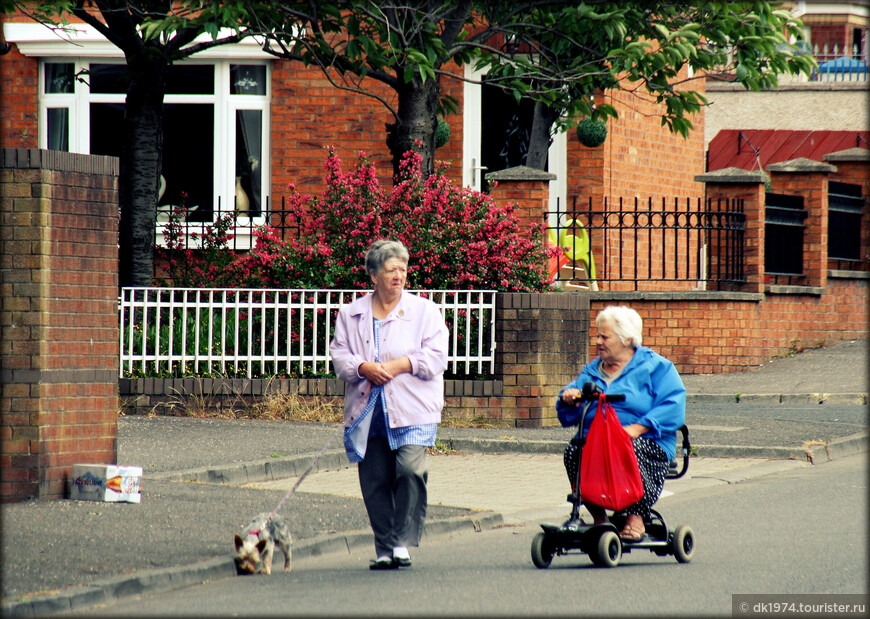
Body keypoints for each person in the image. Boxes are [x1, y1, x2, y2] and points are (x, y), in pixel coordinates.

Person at [329, 239, 449, 570]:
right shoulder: (350, 314)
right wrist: (363, 368)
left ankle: (401, 541)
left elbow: (437, 356)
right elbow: (340, 356)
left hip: (413, 407)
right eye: (390, 269)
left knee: (410, 470)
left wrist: (399, 365)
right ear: (373, 276)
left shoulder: (424, 311)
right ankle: (385, 548)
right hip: (368, 410)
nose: (399, 276)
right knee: (375, 479)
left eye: (403, 269)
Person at [556, 305, 685, 542]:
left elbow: (674, 405)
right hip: (600, 442)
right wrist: (569, 398)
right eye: (597, 335)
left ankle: (636, 516)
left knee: (631, 448)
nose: (598, 341)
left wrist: (637, 429)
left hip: (646, 440)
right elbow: (572, 407)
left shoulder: (656, 367)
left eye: (604, 336)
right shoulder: (592, 370)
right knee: (574, 451)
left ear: (627, 339)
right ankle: (599, 519)